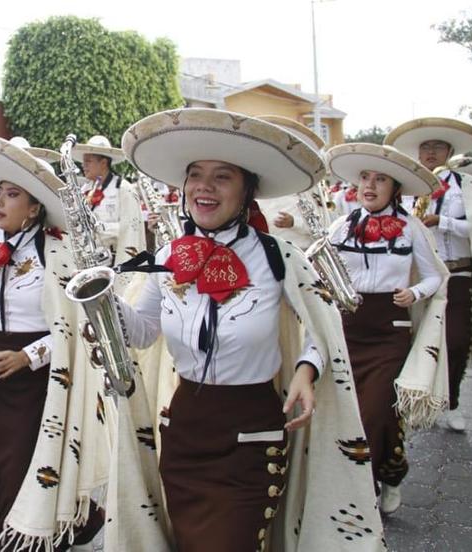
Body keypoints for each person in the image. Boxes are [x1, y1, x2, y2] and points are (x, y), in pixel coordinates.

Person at [112, 108, 384, 550]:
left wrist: (306, 370)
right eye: (195, 174)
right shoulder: (167, 256)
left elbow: (324, 326)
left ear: (247, 191)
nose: (204, 185)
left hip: (251, 434)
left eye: (222, 176)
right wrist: (103, 299)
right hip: (184, 431)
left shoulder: (280, 257)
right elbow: (142, 332)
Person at [0, 135, 106, 551]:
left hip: (40, 384)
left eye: (12, 195)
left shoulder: (56, 254)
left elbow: (75, 331)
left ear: (35, 207)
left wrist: (30, 356)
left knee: (25, 473)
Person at [326, 142, 448, 515]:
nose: (370, 185)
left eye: (380, 179)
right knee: (347, 413)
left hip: (389, 330)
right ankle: (373, 476)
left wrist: (413, 292)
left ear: (395, 188)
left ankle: (379, 480)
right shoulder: (340, 225)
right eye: (365, 177)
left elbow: (435, 279)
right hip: (347, 328)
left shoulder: (411, 228)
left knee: (377, 411)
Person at [385, 118, 472, 432]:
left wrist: (441, 221)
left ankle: (451, 402)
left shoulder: (467, 185)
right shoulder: (404, 185)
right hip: (414, 276)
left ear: (449, 150)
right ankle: (413, 398)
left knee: (456, 341)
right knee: (411, 339)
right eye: (425, 147)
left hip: (456, 273)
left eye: (437, 146)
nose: (431, 152)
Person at [254, 115, 331, 250]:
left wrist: (293, 222)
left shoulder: (305, 188)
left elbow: (322, 227)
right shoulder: (256, 188)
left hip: (303, 255)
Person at [73, 135, 146, 267]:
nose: (83, 166)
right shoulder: (85, 189)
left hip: (115, 263)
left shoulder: (124, 188)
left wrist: (97, 229)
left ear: (103, 163)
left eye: (88, 161)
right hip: (89, 262)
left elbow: (131, 230)